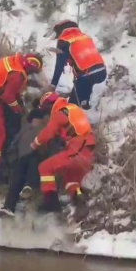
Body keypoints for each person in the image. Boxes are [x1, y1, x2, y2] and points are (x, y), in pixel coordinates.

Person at [0, 52, 44, 185]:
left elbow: (6, 85)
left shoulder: (13, 61)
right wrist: (18, 109)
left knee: (5, 129)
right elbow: (8, 96)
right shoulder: (18, 75)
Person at [31, 92, 95, 220]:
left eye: (46, 110)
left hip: (78, 147)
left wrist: (35, 144)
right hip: (87, 150)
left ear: (50, 105)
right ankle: (79, 199)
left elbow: (48, 132)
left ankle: (51, 203)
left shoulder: (60, 112)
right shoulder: (72, 108)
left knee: (45, 167)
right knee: (70, 177)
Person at [47, 20, 107, 110]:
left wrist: (52, 86)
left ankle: (74, 115)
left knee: (70, 108)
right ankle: (85, 104)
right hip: (102, 72)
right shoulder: (85, 37)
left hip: (87, 76)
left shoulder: (64, 41)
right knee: (83, 87)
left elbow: (59, 67)